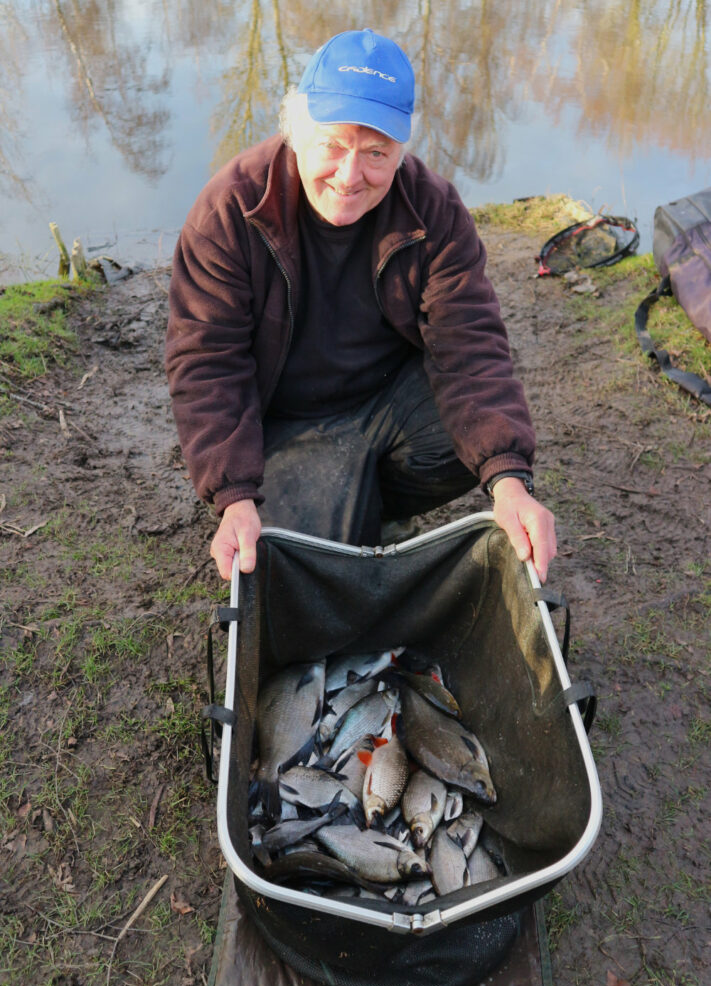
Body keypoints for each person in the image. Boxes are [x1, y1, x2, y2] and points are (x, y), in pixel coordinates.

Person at [165, 28, 556, 582]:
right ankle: (313, 497)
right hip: (282, 420)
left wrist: (510, 481)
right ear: (296, 132)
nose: (350, 178)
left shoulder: (434, 210)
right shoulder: (230, 211)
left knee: (472, 446)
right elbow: (207, 363)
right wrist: (232, 494)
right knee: (308, 566)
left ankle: (367, 500)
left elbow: (471, 346)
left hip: (385, 400)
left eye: (376, 153)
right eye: (332, 145)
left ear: (402, 151)